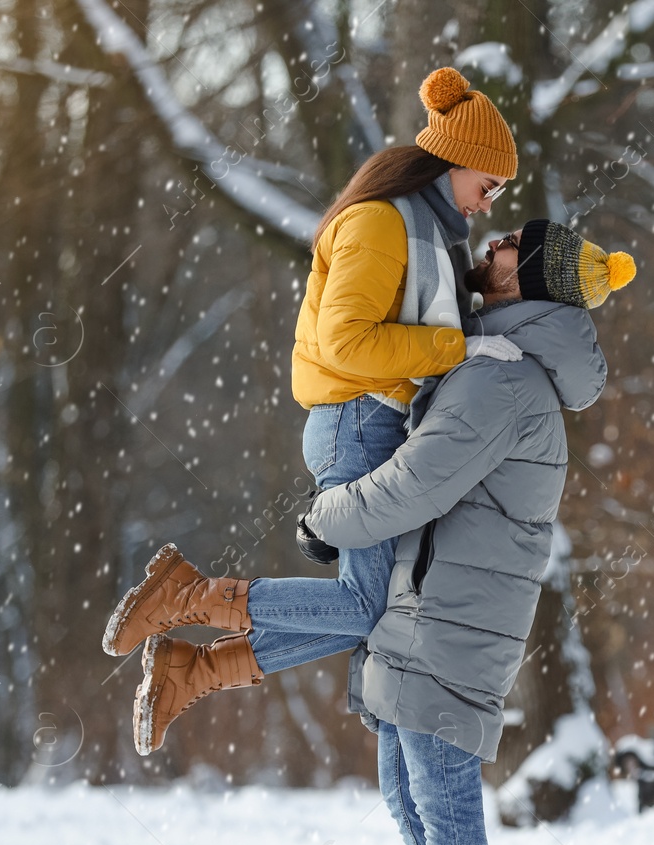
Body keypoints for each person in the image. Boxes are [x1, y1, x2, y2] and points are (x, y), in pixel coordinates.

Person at [101, 67, 521, 756]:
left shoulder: (425, 232)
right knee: (366, 608)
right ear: (457, 161)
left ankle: (196, 666)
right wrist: (459, 348)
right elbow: (346, 341)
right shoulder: (381, 222)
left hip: (372, 423)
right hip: (357, 421)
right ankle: (188, 598)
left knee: (370, 611)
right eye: (489, 183)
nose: (489, 201)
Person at [300, 220, 635, 845]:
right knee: (409, 796)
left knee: (443, 800)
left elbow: (414, 484)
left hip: (453, 615)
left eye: (509, 246)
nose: (490, 246)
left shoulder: (505, 382)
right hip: (430, 603)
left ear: (533, 282)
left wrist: (324, 518)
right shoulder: (491, 362)